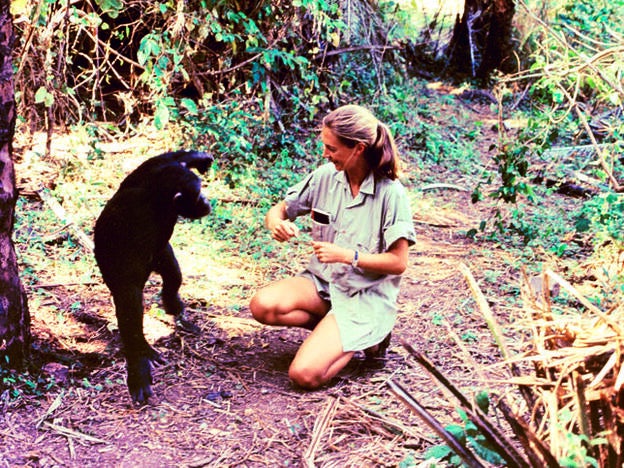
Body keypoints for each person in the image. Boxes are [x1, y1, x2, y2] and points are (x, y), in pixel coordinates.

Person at [249, 104, 416, 390]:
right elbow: (280, 209)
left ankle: (370, 337)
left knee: (304, 375)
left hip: (364, 295)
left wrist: (348, 256)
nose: (325, 154)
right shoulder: (326, 176)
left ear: (358, 149)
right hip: (324, 283)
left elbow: (398, 262)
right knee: (263, 305)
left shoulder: (391, 193)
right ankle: (337, 333)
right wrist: (276, 223)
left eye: (332, 148)